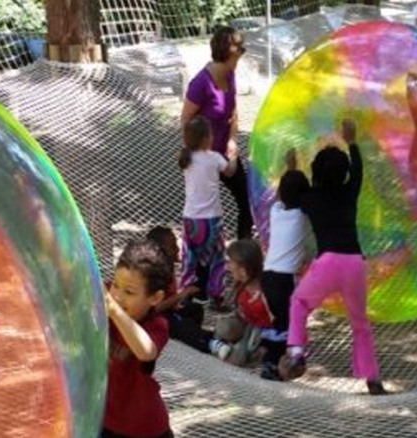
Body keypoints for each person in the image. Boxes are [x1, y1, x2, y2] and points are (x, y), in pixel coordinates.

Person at [284, 119, 388, 396]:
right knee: (360, 324)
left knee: (299, 302)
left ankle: (296, 353)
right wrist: (351, 141)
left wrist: (292, 169)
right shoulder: (348, 192)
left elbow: (293, 193)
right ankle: (373, 378)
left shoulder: (311, 198)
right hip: (355, 264)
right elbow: (358, 173)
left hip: (327, 263)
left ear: (315, 172)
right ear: (342, 175)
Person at [181, 25, 254, 240]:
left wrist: (232, 141)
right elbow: (185, 119)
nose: (242, 54)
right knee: (205, 208)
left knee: (246, 198)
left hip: (225, 153)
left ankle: (245, 252)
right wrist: (193, 154)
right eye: (239, 50)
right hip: (204, 157)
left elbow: (233, 111)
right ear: (228, 52)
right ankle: (202, 250)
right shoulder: (200, 84)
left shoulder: (230, 76)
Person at [102, 239, 174, 438]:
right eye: (115, 285)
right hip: (105, 420)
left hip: (146, 430)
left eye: (129, 292)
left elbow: (146, 351)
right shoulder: (108, 299)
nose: (117, 295)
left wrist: (116, 312)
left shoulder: (157, 326)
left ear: (155, 298)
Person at [259, 149, 312, 381]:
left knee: (277, 319)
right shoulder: (304, 217)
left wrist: (290, 166)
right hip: (284, 279)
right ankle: (280, 364)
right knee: (288, 321)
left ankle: (269, 360)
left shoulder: (276, 211)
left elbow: (286, 193)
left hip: (267, 275)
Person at [146, 226, 234, 360]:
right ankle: (209, 343)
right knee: (178, 324)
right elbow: (154, 309)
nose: (177, 248)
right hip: (155, 319)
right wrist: (180, 296)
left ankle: (191, 336)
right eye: (172, 245)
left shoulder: (168, 268)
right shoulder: (156, 274)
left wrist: (180, 301)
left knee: (195, 309)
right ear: (161, 250)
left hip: (170, 313)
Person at [178, 116, 236, 308]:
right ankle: (215, 295)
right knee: (218, 256)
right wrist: (233, 155)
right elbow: (230, 172)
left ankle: (185, 291)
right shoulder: (215, 158)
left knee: (189, 256)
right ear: (206, 138)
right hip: (212, 219)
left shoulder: (186, 158)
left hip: (191, 219)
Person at [221, 239, 275, 367]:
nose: (227, 266)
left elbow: (276, 320)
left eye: (230, 262)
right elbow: (241, 313)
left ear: (242, 267)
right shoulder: (240, 285)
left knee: (241, 357)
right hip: (249, 324)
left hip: (265, 330)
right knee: (225, 328)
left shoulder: (265, 289)